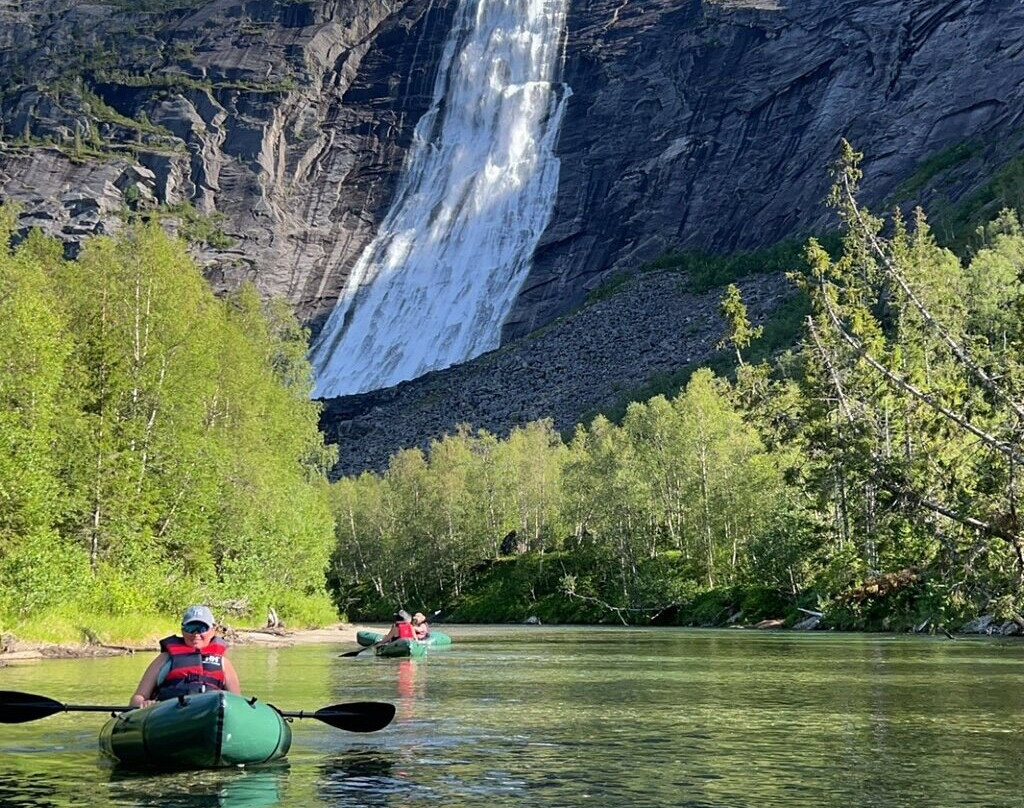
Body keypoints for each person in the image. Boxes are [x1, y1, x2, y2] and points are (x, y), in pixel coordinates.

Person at [129, 605, 241, 708]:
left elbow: (238, 702)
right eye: (190, 628)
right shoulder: (165, 659)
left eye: (202, 628)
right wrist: (144, 704)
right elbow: (138, 697)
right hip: (172, 711)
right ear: (182, 630)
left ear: (213, 631)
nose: (196, 634)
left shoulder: (223, 663)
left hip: (210, 709)